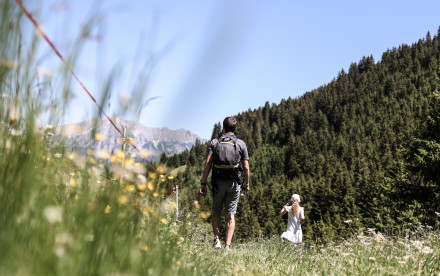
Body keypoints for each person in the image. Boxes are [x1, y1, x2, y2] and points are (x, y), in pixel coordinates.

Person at [199, 117, 250, 250]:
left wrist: (203, 183)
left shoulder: (215, 142)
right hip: (234, 184)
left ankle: (217, 240)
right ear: (235, 129)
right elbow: (246, 167)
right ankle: (227, 246)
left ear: (223, 128)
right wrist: (247, 183)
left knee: (216, 212)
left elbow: (208, 163)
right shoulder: (241, 143)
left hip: (217, 182)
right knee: (230, 215)